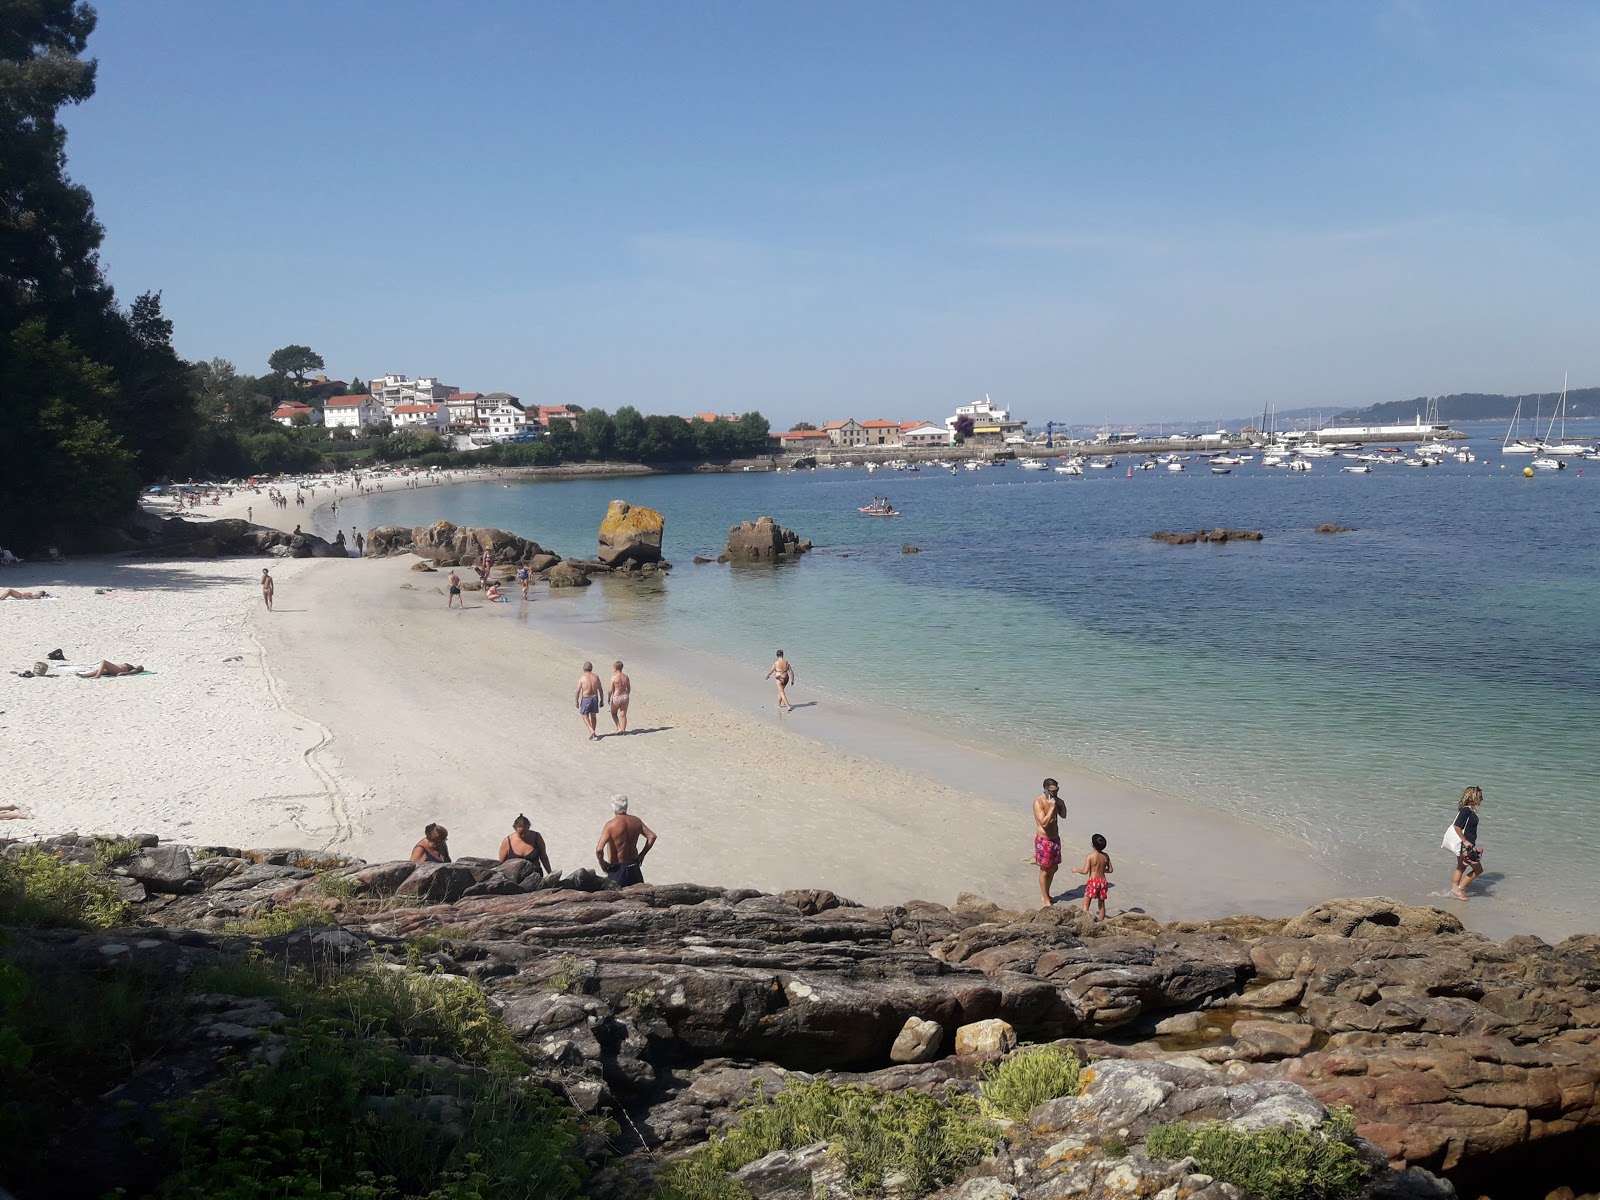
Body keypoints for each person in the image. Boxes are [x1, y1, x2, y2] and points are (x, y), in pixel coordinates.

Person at [595, 795, 656, 886]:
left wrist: (602, 862)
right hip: (634, 866)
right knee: (638, 896)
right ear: (626, 806)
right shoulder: (636, 821)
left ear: (613, 807)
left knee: (614, 897)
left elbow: (599, 849)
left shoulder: (610, 825)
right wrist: (642, 855)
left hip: (617, 869)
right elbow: (652, 836)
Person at [1032, 778, 1065, 907]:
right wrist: (1051, 808)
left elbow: (1064, 815)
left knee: (1054, 867)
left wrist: (1061, 804)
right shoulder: (1038, 802)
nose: (1055, 793)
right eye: (1052, 791)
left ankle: (1046, 893)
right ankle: (1045, 898)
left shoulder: (1056, 800)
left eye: (1057, 790)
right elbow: (1044, 823)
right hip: (1044, 840)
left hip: (1055, 839)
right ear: (1046, 790)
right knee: (1045, 869)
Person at [1451, 786, 1486, 900]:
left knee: (1461, 867)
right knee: (1478, 869)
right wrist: (1465, 841)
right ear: (1473, 796)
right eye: (1480, 796)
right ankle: (1459, 889)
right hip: (1465, 845)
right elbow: (1457, 826)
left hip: (1465, 844)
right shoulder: (1466, 810)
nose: (1482, 799)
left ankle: (1454, 890)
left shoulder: (1467, 810)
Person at [1073, 833, 1114, 920]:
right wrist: (1102, 870)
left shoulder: (1090, 857)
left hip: (1093, 881)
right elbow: (1110, 870)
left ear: (1092, 845)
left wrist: (1076, 870)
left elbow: (1085, 871)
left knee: (1086, 902)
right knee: (1101, 904)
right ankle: (1101, 921)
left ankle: (1085, 919)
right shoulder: (1106, 856)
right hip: (1103, 881)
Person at [576, 661, 605, 740]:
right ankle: (594, 731)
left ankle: (591, 730)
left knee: (584, 715)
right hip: (595, 698)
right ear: (591, 668)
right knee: (593, 716)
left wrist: (576, 701)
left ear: (583, 669)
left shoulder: (582, 678)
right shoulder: (596, 677)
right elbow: (601, 690)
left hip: (586, 698)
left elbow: (578, 691)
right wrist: (602, 700)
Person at [609, 660, 632, 735]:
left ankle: (618, 727)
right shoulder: (626, 677)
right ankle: (623, 731)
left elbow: (610, 690)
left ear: (615, 668)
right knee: (623, 714)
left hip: (617, 696)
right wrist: (626, 695)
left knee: (613, 713)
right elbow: (629, 689)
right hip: (625, 696)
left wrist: (609, 698)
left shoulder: (614, 678)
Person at [78, 660, 145, 678]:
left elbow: (130, 673)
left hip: (118, 670)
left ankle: (97, 676)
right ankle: (85, 675)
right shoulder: (134, 667)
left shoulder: (135, 670)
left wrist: (122, 673)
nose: (139, 666)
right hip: (116, 669)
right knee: (98, 670)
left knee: (104, 662)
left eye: (140, 667)